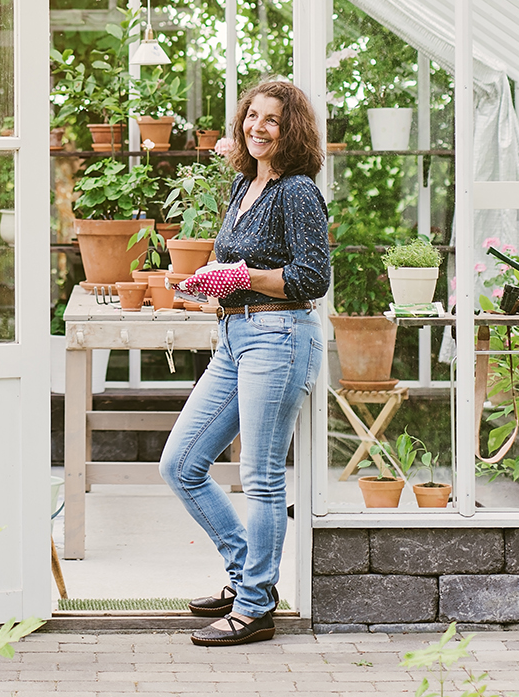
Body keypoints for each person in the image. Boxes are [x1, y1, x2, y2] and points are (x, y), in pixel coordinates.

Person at [158, 77, 328, 645]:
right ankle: (247, 578)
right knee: (181, 463)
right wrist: (203, 282)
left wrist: (242, 278)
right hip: (235, 336)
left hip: (279, 336)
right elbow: (230, 266)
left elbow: (312, 277)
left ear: (291, 130)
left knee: (260, 477)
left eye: (272, 120)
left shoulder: (297, 191)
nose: (258, 127)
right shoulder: (242, 186)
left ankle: (255, 607)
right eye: (252, 116)